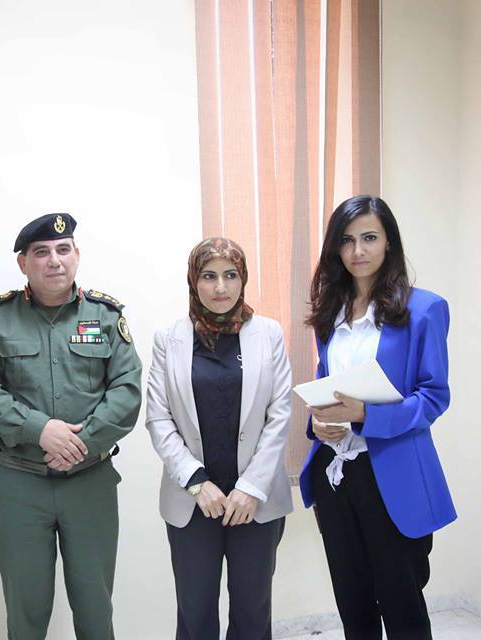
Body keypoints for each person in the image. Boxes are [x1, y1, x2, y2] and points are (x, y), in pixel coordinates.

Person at [0, 213, 142, 640]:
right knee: (25, 612)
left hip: (90, 482)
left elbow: (127, 388)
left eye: (63, 249)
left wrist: (83, 441)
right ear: (23, 263)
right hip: (20, 485)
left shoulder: (105, 315)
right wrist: (39, 429)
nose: (54, 260)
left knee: (95, 609)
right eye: (41, 252)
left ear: (77, 255)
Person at [299, 195, 456, 640]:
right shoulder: (330, 313)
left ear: (389, 242)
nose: (358, 251)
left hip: (391, 474)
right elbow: (326, 384)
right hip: (335, 474)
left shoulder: (424, 309)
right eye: (347, 240)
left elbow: (433, 398)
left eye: (369, 238)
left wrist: (367, 415)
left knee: (403, 609)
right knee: (353, 606)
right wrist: (319, 424)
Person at [145, 237, 293, 640]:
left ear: (243, 279)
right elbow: (158, 418)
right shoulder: (169, 339)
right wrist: (197, 482)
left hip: (255, 501)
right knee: (195, 614)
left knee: (252, 613)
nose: (221, 287)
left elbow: (279, 415)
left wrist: (251, 487)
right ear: (194, 281)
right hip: (193, 501)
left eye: (231, 275)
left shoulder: (268, 334)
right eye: (209, 276)